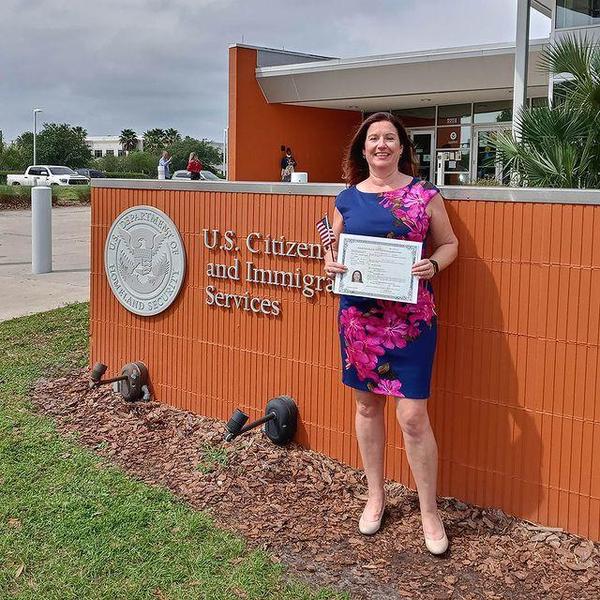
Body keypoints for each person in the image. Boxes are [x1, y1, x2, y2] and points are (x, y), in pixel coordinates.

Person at [324, 112, 458, 555]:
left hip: (411, 320)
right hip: (360, 321)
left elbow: (450, 243)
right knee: (367, 407)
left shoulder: (424, 194)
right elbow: (333, 248)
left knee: (413, 417)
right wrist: (330, 263)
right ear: (363, 149)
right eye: (373, 139)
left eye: (389, 139)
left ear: (402, 147)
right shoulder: (345, 198)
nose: (381, 145)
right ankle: (376, 496)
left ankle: (429, 512)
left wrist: (434, 263)